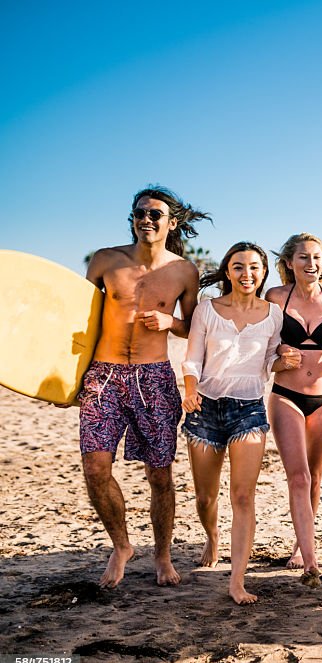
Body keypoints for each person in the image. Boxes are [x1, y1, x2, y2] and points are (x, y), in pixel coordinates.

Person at [78, 185, 211, 588]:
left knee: (160, 474)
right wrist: (70, 380)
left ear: (171, 223)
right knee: (95, 467)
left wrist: (170, 322)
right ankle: (121, 546)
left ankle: (163, 555)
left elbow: (196, 330)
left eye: (156, 214)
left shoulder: (184, 271)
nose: (147, 220)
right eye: (140, 213)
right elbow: (81, 322)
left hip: (153, 378)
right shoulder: (105, 261)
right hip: (103, 375)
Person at [181, 242, 300, 604]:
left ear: (263, 272)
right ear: (227, 271)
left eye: (253, 267)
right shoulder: (207, 309)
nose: (246, 274)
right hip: (204, 408)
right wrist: (189, 391)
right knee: (205, 496)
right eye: (238, 267)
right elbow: (191, 360)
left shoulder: (274, 314)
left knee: (243, 496)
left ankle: (237, 580)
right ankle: (213, 536)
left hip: (248, 409)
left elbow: (268, 361)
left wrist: (285, 358)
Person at [265, 233, 322, 587]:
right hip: (286, 394)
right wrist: (275, 359)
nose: (311, 264)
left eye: (317, 258)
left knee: (315, 477)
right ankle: (310, 558)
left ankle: (300, 545)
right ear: (289, 262)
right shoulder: (275, 297)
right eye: (303, 258)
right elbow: (259, 346)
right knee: (298, 477)